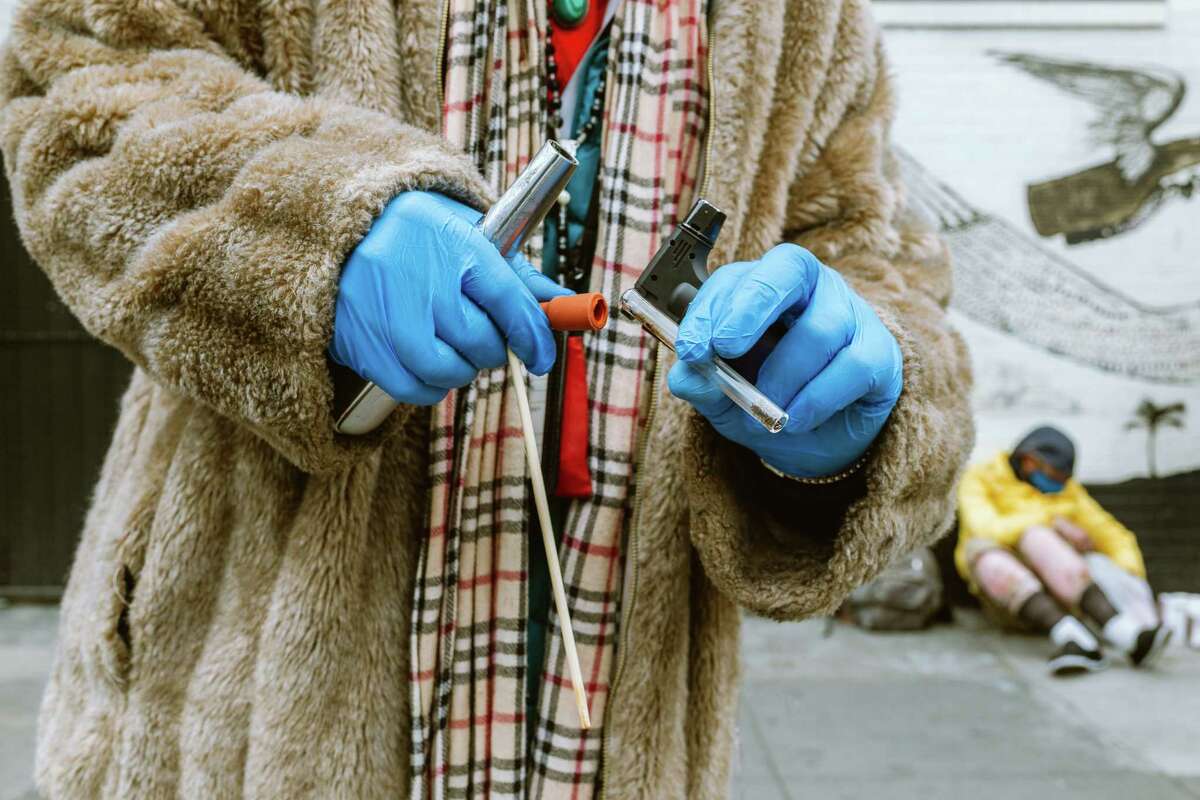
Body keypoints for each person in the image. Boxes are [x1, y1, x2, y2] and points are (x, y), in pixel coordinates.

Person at [0, 0, 974, 795]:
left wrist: (845, 426)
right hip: (231, 713)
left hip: (620, 723)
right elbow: (77, 83)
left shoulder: (812, 21)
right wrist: (312, 225)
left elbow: (889, 280)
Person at [956, 426, 1171, 676]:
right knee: (1026, 538)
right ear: (1028, 461)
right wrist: (1053, 521)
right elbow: (985, 528)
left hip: (1070, 595)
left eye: (1063, 480)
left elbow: (1114, 535)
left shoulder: (1069, 492)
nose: (1059, 484)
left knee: (1045, 538)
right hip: (1012, 600)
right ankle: (1071, 636)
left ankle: (1123, 634)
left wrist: (1129, 577)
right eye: (1055, 476)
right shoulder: (981, 477)